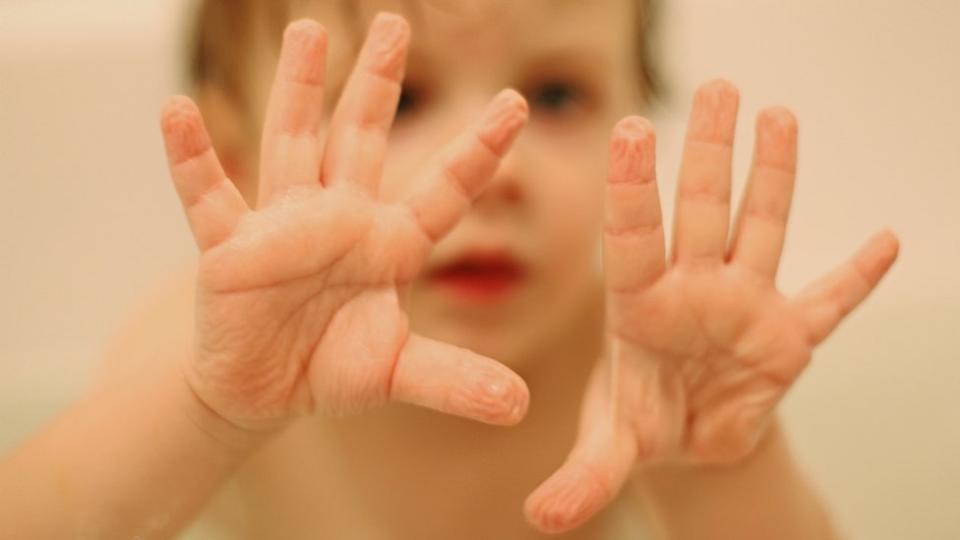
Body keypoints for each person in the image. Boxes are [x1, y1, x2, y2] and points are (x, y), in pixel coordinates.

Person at [0, 1, 900, 538]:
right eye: (401, 99)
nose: (493, 169)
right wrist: (209, 410)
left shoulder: (638, 372)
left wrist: (722, 462)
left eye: (556, 95)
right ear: (239, 165)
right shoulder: (199, 359)